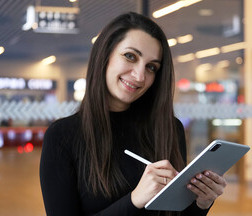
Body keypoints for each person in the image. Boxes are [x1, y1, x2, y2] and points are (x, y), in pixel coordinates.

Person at [39, 12, 227, 216]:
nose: (139, 76)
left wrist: (202, 202)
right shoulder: (62, 136)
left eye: (151, 67)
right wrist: (134, 200)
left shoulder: (169, 129)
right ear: (105, 54)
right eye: (130, 56)